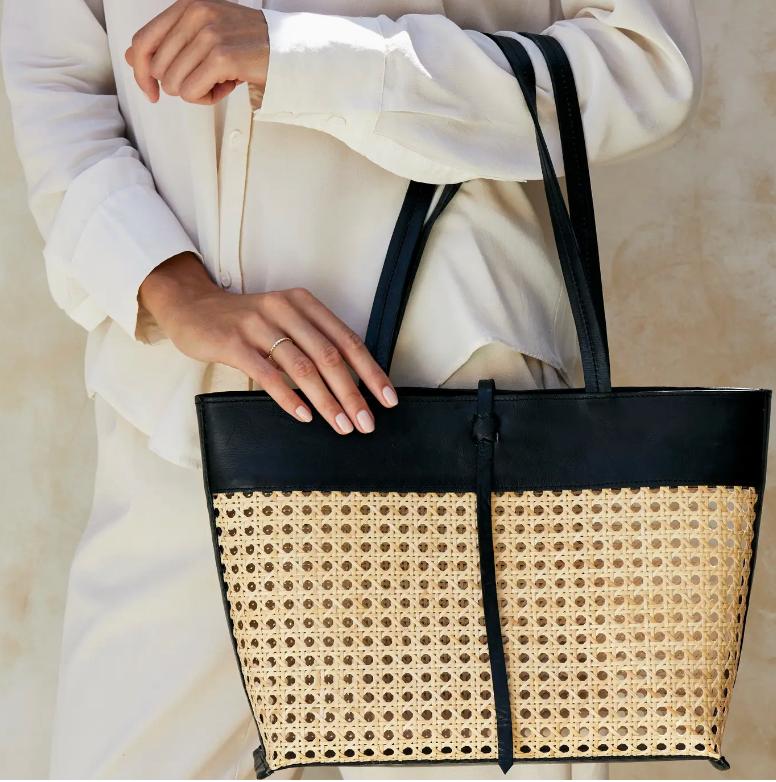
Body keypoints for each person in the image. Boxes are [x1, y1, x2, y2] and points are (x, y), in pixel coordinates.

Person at [1, 0, 701, 778]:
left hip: (458, 414)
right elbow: (57, 80)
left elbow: (645, 65)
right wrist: (167, 284)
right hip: (178, 428)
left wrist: (308, 57)